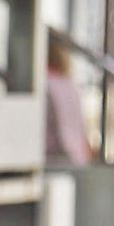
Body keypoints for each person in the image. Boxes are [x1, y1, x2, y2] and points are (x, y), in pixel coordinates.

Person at [45, 29, 93, 166]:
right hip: (78, 160)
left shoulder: (45, 84)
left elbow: (62, 136)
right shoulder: (70, 86)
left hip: (56, 160)